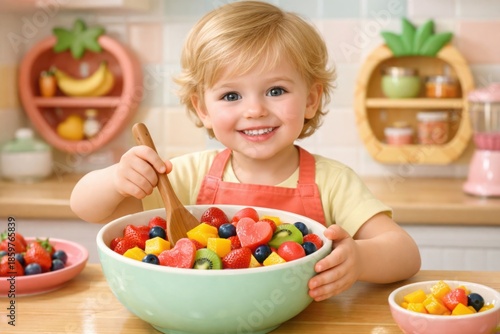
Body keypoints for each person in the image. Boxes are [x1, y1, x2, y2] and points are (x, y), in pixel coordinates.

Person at [71, 0, 420, 301]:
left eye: (276, 90)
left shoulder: (333, 182)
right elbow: (85, 207)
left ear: (311, 99)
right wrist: (118, 178)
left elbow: (406, 254)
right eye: (231, 96)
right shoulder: (183, 175)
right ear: (203, 107)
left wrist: (358, 258)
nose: (254, 110)